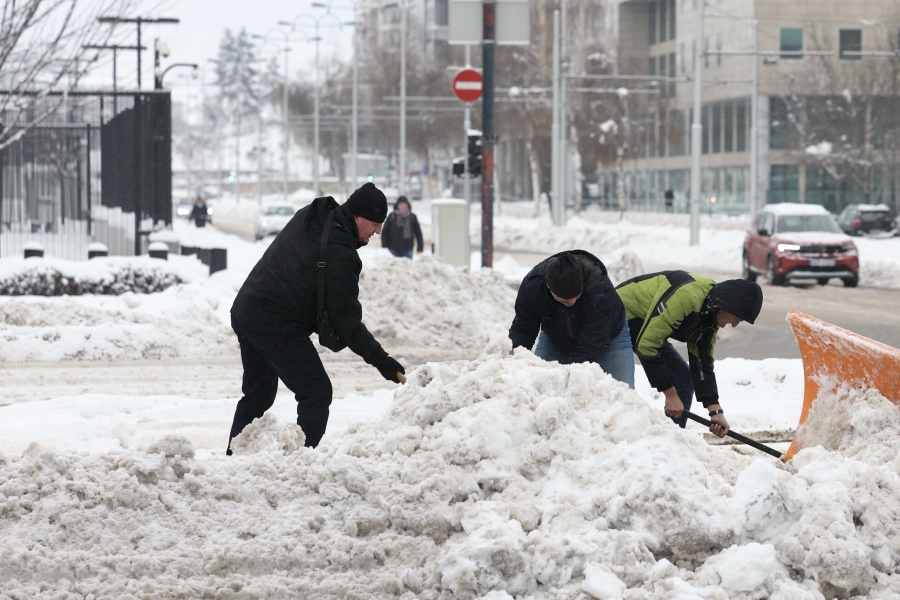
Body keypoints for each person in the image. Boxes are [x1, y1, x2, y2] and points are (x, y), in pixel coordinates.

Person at [227, 182, 405, 453]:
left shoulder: (315, 215)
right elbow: (347, 322)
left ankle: (235, 458)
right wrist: (384, 363)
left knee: (258, 394)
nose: (378, 230)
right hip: (274, 320)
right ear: (357, 217)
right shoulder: (340, 253)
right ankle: (303, 461)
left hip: (247, 308)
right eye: (374, 223)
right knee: (317, 392)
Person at [615, 272, 763, 438]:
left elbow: (702, 364)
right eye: (738, 318)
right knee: (620, 386)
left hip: (644, 324)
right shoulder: (687, 297)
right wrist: (671, 395)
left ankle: (670, 440)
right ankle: (664, 441)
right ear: (726, 305)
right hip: (618, 314)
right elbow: (647, 346)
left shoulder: (709, 317)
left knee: (683, 378)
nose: (735, 324)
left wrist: (715, 411)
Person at [508, 250, 635, 388]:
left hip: (608, 339)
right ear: (548, 286)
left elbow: (591, 345)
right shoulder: (533, 287)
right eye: (565, 299)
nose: (572, 300)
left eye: (577, 294)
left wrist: (566, 375)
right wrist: (514, 352)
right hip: (555, 338)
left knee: (623, 394)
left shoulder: (599, 290)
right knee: (539, 387)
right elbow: (524, 327)